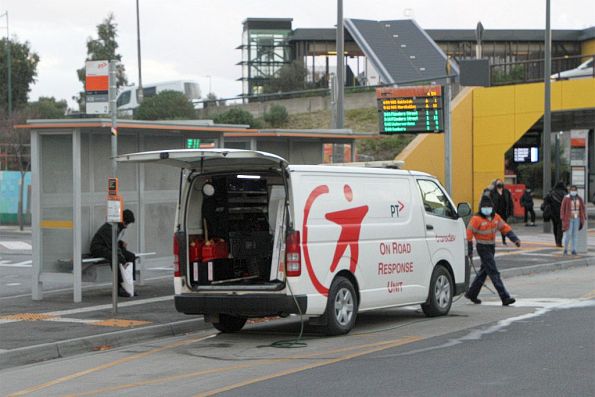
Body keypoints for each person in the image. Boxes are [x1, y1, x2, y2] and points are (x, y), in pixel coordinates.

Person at [465, 195, 520, 306]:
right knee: (493, 272)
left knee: (484, 272)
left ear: (492, 207)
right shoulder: (476, 219)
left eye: (489, 206)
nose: (487, 209)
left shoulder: (496, 218)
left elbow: (505, 228)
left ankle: (472, 293)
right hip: (482, 248)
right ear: (480, 208)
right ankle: (505, 297)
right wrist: (469, 250)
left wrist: (515, 239)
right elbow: (469, 234)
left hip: (491, 247)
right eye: (484, 207)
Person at [90, 209, 137, 297]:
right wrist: (123, 260)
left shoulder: (119, 227)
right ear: (123, 221)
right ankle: (118, 287)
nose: (127, 226)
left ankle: (130, 285)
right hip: (98, 249)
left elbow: (113, 242)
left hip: (108, 246)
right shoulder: (110, 227)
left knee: (131, 256)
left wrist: (121, 243)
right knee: (115, 258)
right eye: (126, 223)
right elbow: (112, 245)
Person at [560, 185, 586, 256]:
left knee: (575, 235)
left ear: (576, 191)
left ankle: (574, 250)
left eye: (574, 190)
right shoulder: (566, 198)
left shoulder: (579, 198)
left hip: (577, 218)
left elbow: (582, 208)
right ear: (570, 190)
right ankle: (565, 249)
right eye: (572, 190)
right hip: (569, 219)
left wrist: (583, 217)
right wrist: (562, 217)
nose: (573, 191)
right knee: (568, 234)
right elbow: (562, 208)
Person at [542, 181, 567, 247]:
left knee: (555, 226)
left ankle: (556, 241)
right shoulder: (565, 193)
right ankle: (559, 242)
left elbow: (545, 202)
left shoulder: (551, 193)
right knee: (560, 227)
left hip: (553, 213)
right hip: (561, 213)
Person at [489, 179, 513, 244]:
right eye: (498, 183)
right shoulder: (492, 192)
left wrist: (510, 212)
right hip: (495, 213)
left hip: (504, 213)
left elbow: (510, 202)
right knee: (493, 228)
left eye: (501, 183)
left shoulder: (506, 192)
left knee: (503, 227)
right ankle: (492, 240)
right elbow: (489, 202)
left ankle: (504, 240)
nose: (499, 184)